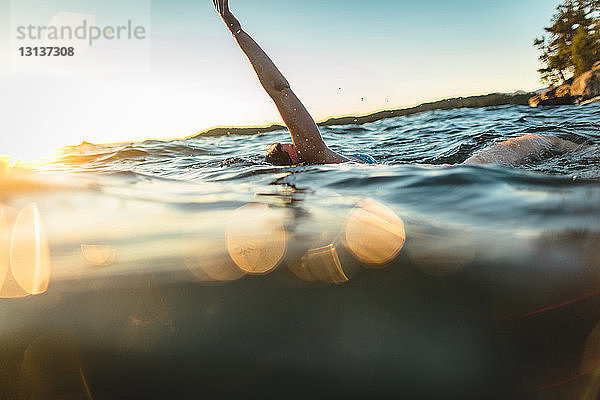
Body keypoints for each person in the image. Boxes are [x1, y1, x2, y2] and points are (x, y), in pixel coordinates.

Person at [213, 0, 376, 166]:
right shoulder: (310, 151)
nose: (294, 143)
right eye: (291, 147)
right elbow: (279, 89)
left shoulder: (312, 160)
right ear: (294, 160)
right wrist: (236, 30)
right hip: (369, 168)